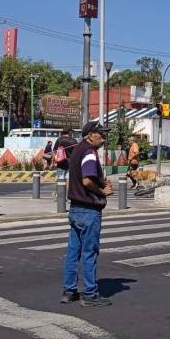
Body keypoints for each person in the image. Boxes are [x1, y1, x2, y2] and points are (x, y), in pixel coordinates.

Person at [61, 121, 114, 306]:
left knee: (72, 252)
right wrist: (102, 191)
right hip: (88, 209)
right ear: (90, 135)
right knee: (89, 252)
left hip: (75, 208)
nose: (104, 137)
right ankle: (90, 294)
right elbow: (86, 181)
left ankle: (69, 291)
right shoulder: (90, 153)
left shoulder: (77, 150)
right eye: (101, 134)